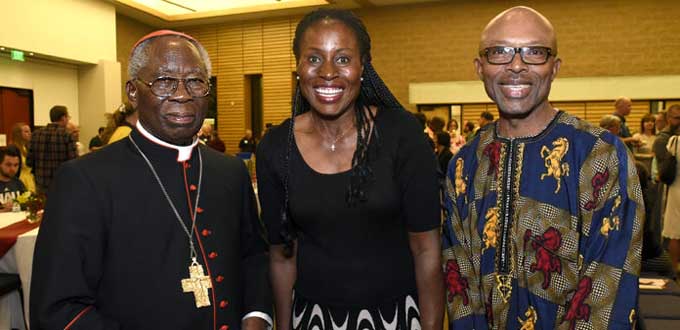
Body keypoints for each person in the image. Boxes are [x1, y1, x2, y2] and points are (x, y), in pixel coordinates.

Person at [31, 30, 272, 329]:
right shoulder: (84, 179)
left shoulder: (230, 172)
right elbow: (59, 309)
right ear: (133, 92)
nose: (182, 94)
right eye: (164, 81)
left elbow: (254, 256)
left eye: (196, 81)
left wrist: (257, 315)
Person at [442, 6, 643, 329]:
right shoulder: (464, 164)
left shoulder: (599, 154)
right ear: (480, 68)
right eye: (500, 52)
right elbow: (459, 281)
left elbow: (610, 282)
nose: (517, 66)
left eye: (535, 52)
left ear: (554, 67)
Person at [257, 9, 443, 330]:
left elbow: (426, 249)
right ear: (298, 67)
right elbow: (281, 256)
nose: (328, 72)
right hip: (312, 319)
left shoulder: (402, 134)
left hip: (396, 318)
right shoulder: (275, 147)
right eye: (314, 59)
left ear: (363, 67)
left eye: (342, 59)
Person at [26, 105, 77, 194]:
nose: (68, 119)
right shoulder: (67, 135)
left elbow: (29, 162)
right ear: (63, 118)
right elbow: (73, 162)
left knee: (43, 207)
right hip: (61, 183)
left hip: (40, 183)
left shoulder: (35, 134)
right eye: (68, 117)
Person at [10, 122, 36, 192]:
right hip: (21, 180)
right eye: (26, 132)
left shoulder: (27, 147)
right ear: (18, 134)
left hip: (30, 179)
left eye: (30, 131)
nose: (30, 133)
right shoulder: (14, 148)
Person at [0, 146, 26, 212]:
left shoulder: (19, 183)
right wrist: (4, 210)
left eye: (16, 165)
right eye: (8, 165)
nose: (13, 169)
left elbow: (28, 205)